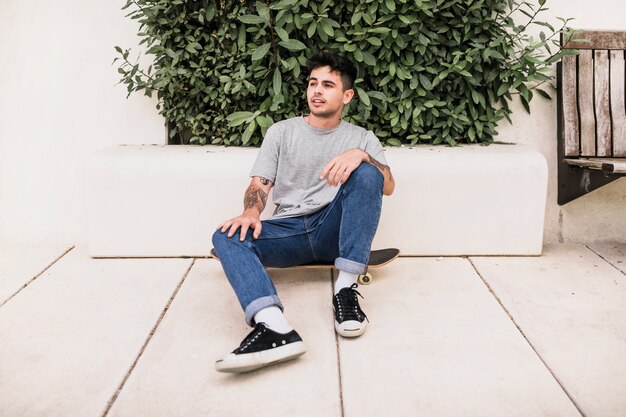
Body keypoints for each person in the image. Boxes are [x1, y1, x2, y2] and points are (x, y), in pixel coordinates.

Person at [212, 52, 395, 373]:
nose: (317, 91)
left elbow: (388, 185)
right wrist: (251, 213)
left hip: (334, 230)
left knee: (369, 173)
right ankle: (273, 327)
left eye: (328, 84)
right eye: (313, 83)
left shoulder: (361, 137)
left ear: (347, 95)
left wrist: (362, 155)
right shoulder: (282, 132)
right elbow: (260, 184)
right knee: (225, 235)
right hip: (290, 232)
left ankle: (346, 290)